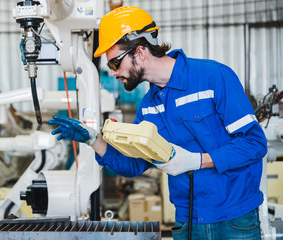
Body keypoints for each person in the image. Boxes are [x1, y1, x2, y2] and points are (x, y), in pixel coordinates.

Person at [48, 5, 267, 240]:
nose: (113, 73)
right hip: (187, 221)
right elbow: (133, 165)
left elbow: (254, 144)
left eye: (115, 63)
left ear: (140, 52)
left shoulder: (213, 78)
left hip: (235, 219)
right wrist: (93, 139)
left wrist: (196, 161)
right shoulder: (149, 106)